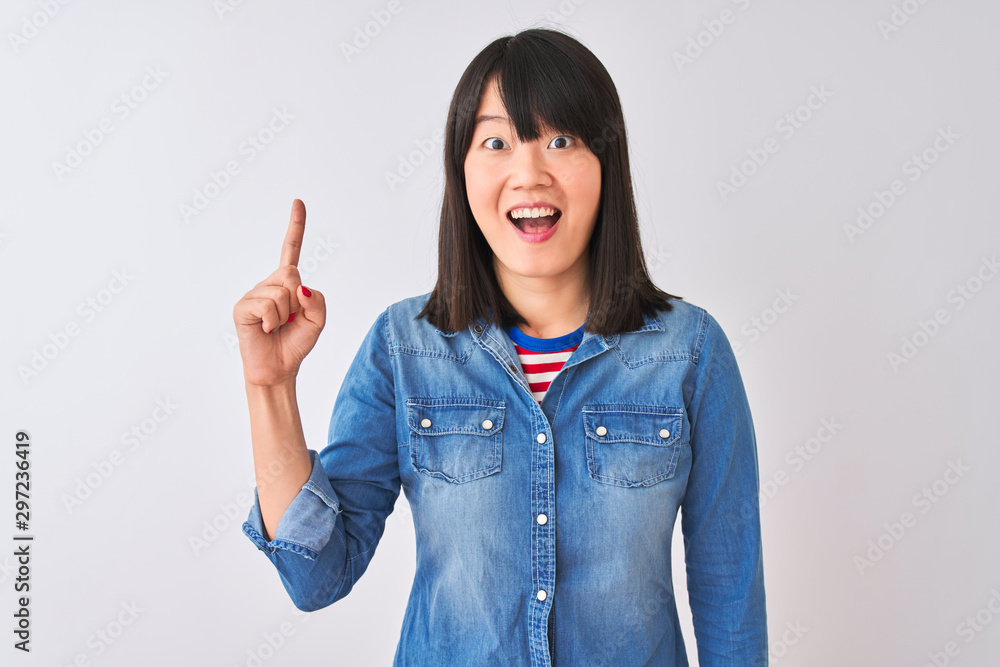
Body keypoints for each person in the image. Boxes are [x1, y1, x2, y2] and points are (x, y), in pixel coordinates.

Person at [233, 27, 768, 667]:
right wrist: (270, 387)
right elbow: (315, 578)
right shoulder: (404, 350)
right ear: (461, 171)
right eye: (496, 142)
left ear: (608, 164)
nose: (529, 173)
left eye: (561, 139)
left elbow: (729, 590)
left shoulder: (691, 353)